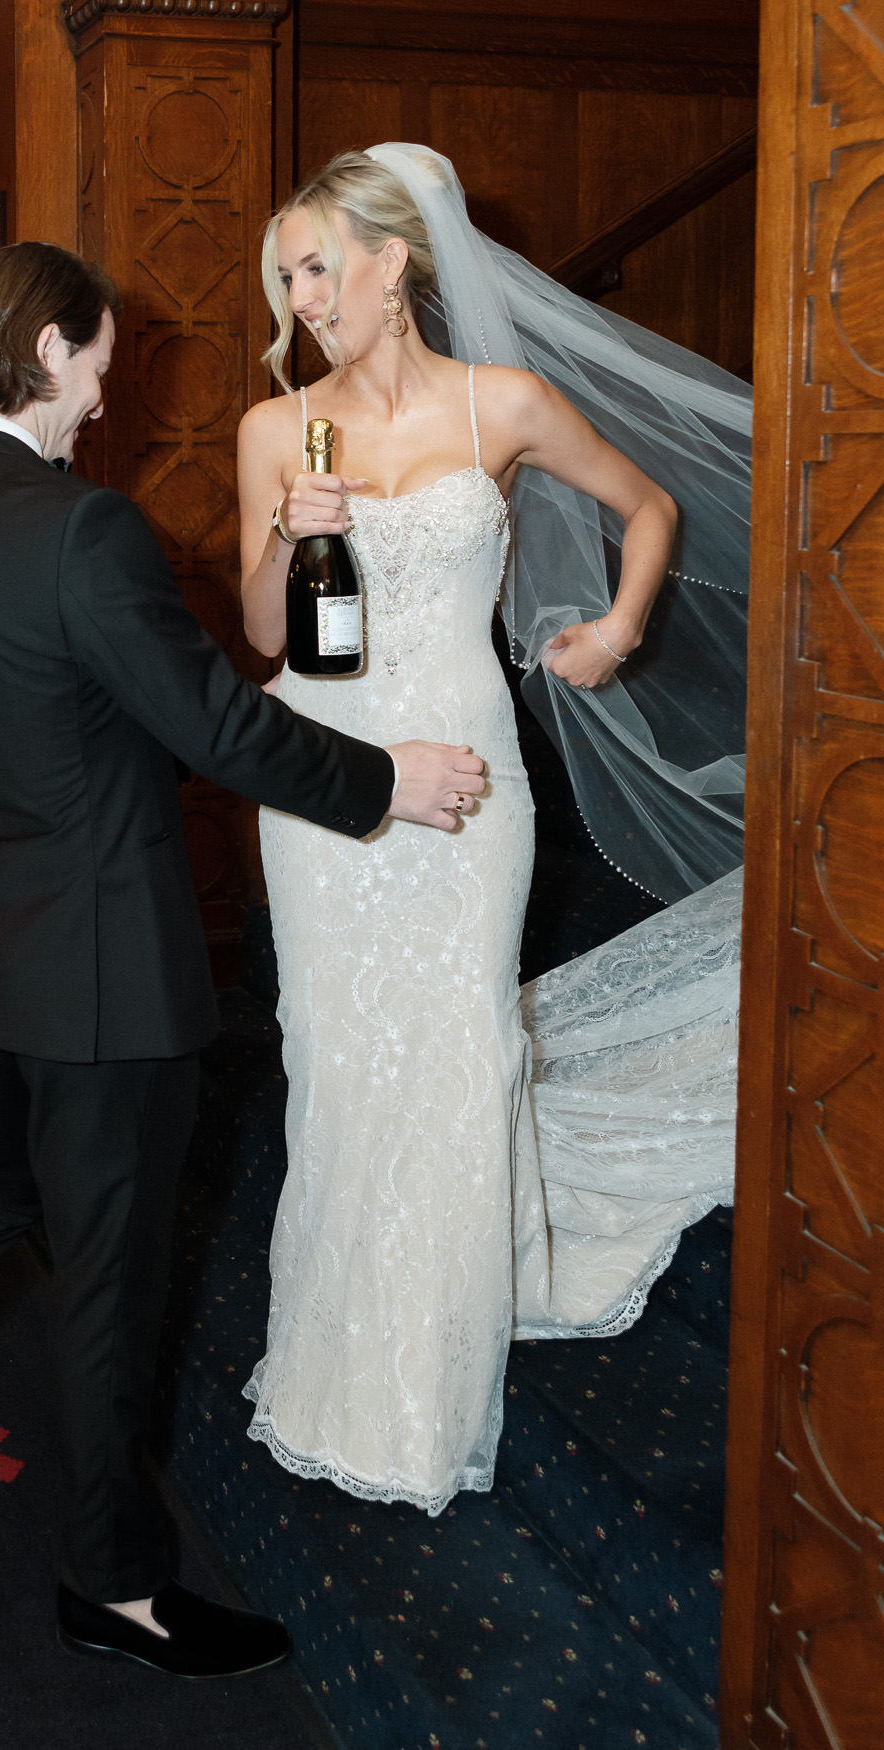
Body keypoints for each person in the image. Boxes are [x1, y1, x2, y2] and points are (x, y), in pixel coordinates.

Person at [0, 240, 489, 1675]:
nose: (99, 397)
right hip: (102, 975)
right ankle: (116, 1586)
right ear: (48, 349)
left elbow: (51, 709)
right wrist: (390, 779)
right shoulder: (82, 531)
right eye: (98, 366)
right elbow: (218, 723)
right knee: (109, 1275)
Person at [236, 147, 749, 1510]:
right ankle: (338, 1341)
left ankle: (436, 1364)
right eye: (285, 279)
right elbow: (266, 632)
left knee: (460, 1045)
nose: (301, 301)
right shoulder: (278, 429)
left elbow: (650, 506)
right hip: (326, 778)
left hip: (470, 777)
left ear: (393, 260)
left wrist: (617, 629)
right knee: (336, 1055)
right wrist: (287, 533)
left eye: (317, 268)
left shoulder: (502, 404)